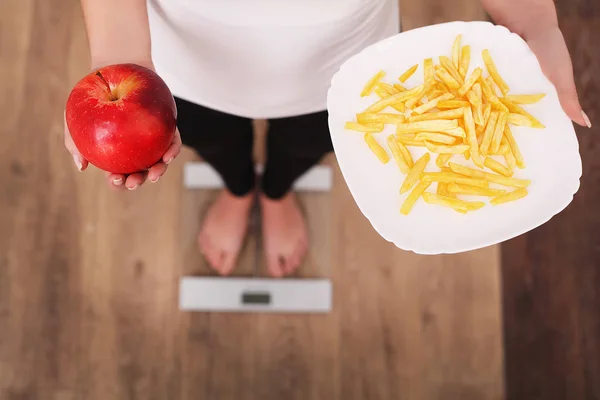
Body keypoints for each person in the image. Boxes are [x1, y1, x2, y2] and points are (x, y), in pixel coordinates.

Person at [64, 0, 592, 277]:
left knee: (309, 143)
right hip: (179, 67)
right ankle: (239, 189)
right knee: (213, 138)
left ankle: (276, 192)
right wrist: (119, 58)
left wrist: (533, 21)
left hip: (350, 64)